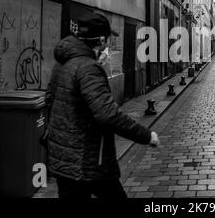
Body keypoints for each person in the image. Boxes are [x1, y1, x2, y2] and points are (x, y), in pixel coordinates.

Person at [44, 13, 160, 199]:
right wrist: (146, 135)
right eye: (107, 40)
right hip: (89, 161)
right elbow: (107, 114)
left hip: (63, 160)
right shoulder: (88, 68)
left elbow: (50, 101)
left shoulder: (63, 63)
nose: (108, 46)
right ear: (100, 40)